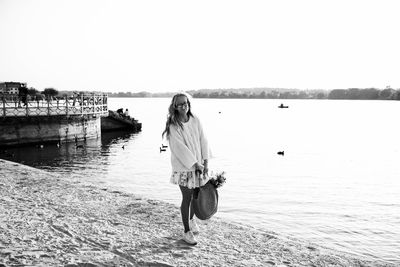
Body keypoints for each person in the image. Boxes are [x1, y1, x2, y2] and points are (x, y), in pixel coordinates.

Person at [162, 93, 211, 245]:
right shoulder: (173, 125)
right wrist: (195, 164)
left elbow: (203, 140)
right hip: (184, 167)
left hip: (199, 165)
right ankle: (186, 232)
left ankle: (191, 220)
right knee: (187, 198)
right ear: (175, 107)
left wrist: (206, 161)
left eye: (186, 102)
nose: (184, 105)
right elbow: (179, 148)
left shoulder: (195, 119)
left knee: (195, 195)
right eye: (180, 104)